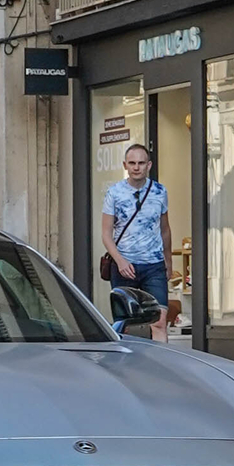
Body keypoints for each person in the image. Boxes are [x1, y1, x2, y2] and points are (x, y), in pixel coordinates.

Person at [101, 143, 171, 342]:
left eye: (141, 163)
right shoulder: (114, 193)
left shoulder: (159, 191)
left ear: (149, 165)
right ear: (125, 165)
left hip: (153, 265)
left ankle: (162, 366)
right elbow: (106, 233)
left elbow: (165, 228)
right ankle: (125, 367)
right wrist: (120, 261)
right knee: (124, 323)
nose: (136, 167)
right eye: (132, 163)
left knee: (159, 320)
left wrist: (168, 260)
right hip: (124, 265)